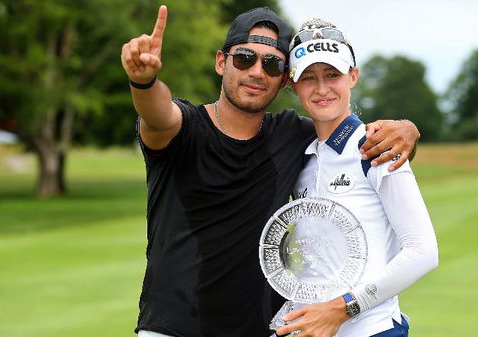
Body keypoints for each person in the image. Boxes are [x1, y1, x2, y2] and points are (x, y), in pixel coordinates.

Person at [120, 6, 421, 337]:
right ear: (222, 62)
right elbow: (158, 113)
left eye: (273, 64)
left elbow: (346, 133)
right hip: (172, 329)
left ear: (282, 81)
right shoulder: (184, 129)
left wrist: (407, 129)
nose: (257, 71)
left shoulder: (294, 136)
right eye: (245, 57)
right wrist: (143, 81)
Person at [275, 18, 439, 337]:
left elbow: (423, 253)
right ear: (292, 84)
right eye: (309, 78)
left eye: (332, 75)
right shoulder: (303, 156)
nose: (322, 89)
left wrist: (344, 307)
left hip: (374, 330)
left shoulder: (375, 146)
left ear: (353, 76)